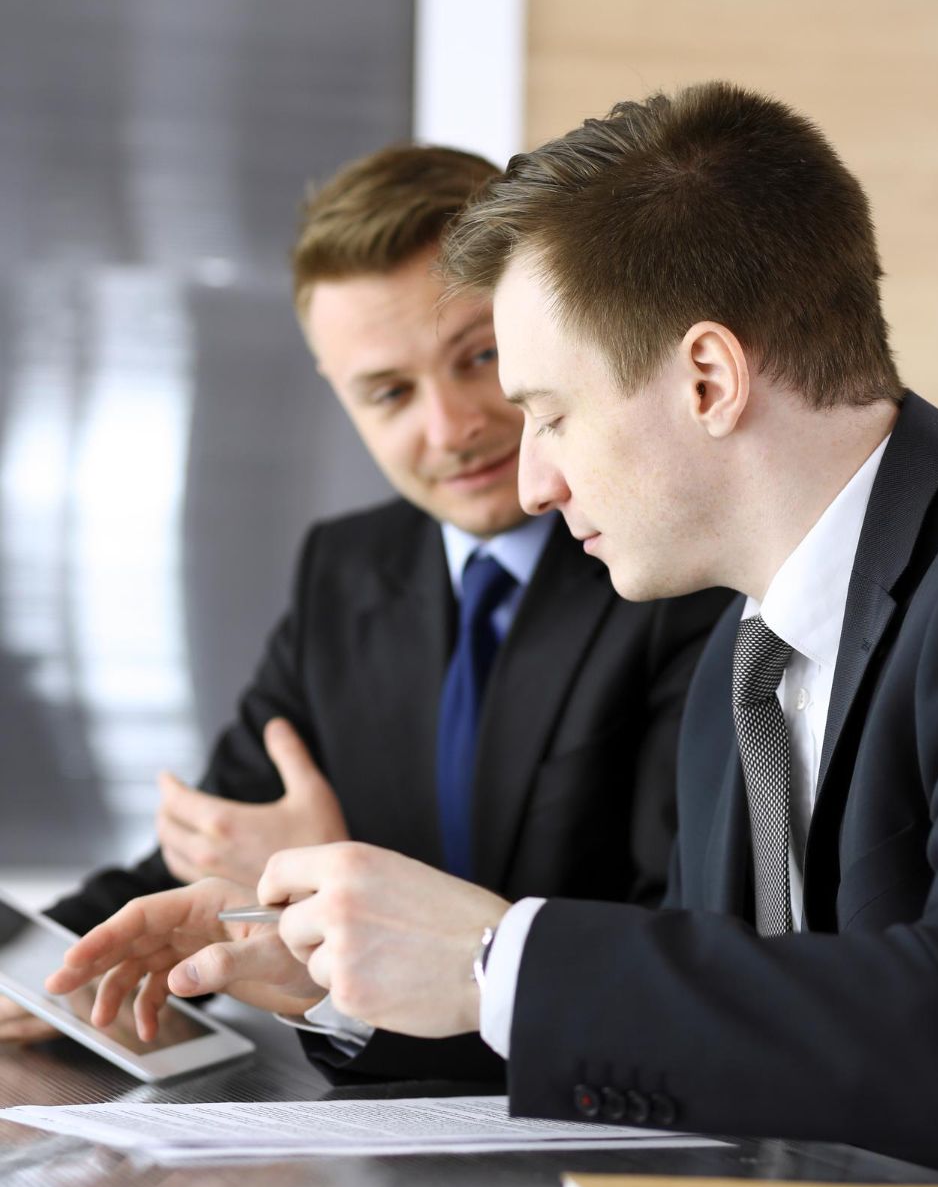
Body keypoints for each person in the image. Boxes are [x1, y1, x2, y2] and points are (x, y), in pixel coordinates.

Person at [16, 141, 725, 1081]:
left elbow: (671, 944)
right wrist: (40, 968)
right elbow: (212, 856)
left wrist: (321, 877)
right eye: (389, 393)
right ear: (341, 395)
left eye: (479, 358)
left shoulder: (673, 564)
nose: (451, 426)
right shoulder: (346, 570)